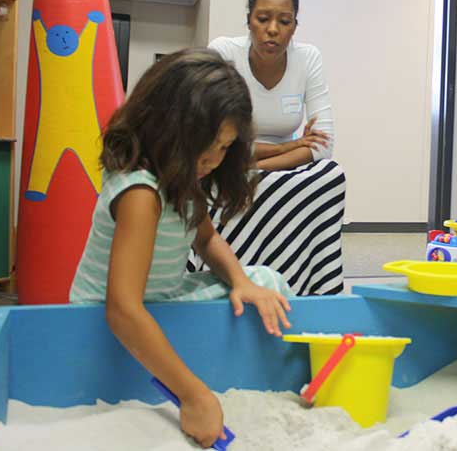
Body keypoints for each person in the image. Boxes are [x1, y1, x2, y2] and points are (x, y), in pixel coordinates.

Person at [69, 48, 293, 448]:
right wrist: (194, 395)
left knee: (265, 283)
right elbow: (121, 309)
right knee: (262, 291)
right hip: (109, 319)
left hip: (163, 298)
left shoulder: (181, 175)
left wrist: (240, 281)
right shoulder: (141, 193)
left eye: (225, 147)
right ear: (168, 125)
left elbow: (205, 238)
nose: (213, 158)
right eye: (206, 145)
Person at [192, 0, 345, 295]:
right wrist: (281, 149)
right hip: (224, 159)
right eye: (263, 19)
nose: (273, 29)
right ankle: (229, 277)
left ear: (294, 26)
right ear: (249, 20)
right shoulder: (223, 51)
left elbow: (323, 145)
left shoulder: (309, 59)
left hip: (268, 164)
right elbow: (207, 137)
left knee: (332, 174)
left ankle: (308, 285)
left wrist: (253, 164)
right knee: (211, 176)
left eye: (284, 21)